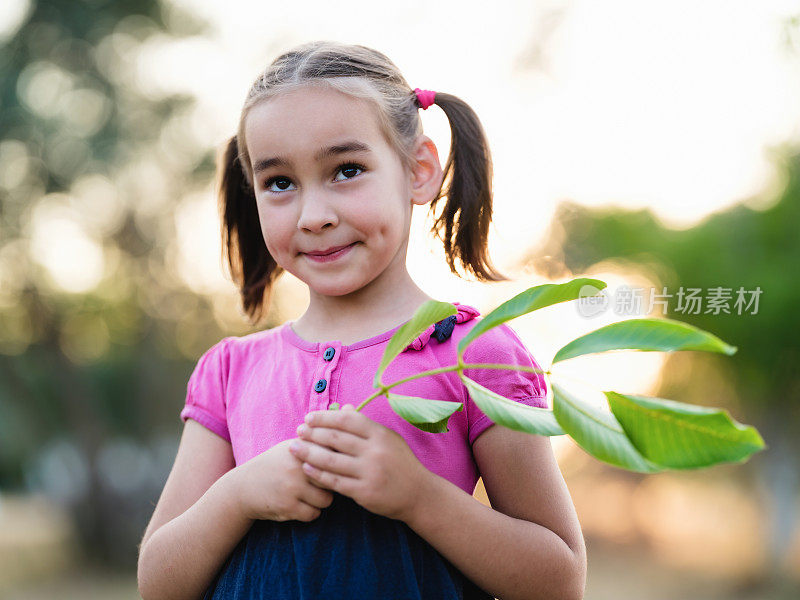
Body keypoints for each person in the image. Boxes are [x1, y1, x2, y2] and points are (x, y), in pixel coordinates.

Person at [137, 40, 586, 600]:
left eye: (346, 170)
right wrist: (238, 496)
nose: (315, 216)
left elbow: (559, 580)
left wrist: (417, 497)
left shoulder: (475, 354)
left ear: (419, 170)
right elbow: (158, 584)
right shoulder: (231, 372)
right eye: (280, 183)